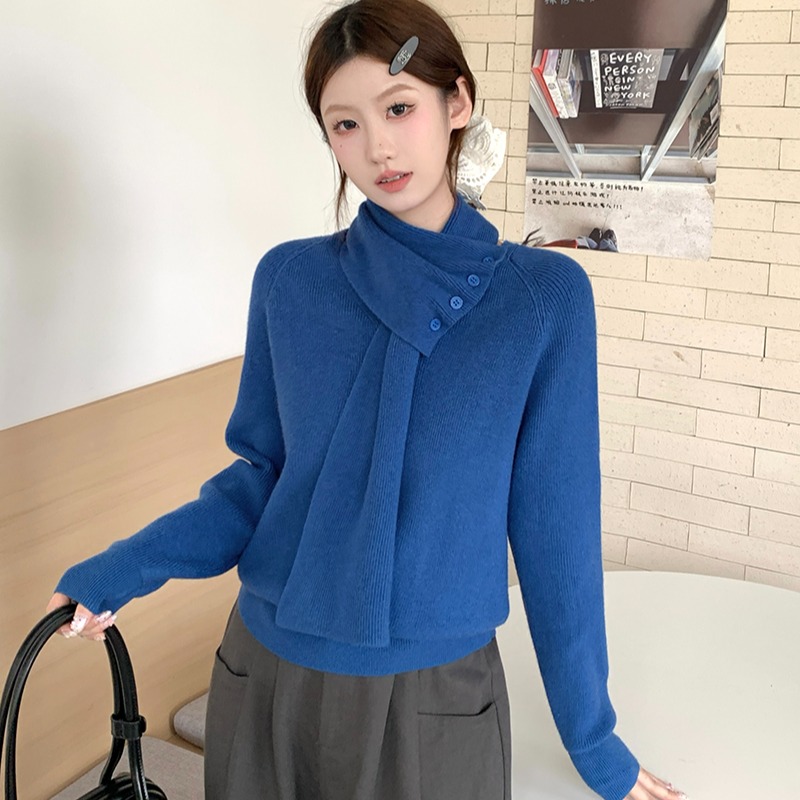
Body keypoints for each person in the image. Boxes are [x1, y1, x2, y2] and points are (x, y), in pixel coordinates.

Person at [46, 2, 688, 799]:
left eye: (399, 108)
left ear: (457, 103)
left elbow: (556, 533)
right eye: (345, 124)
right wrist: (120, 568)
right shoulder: (290, 280)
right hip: (267, 673)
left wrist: (593, 741)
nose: (378, 146)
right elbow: (258, 482)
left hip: (435, 695)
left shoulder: (542, 299)